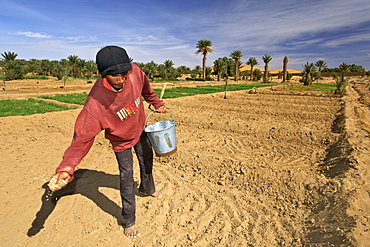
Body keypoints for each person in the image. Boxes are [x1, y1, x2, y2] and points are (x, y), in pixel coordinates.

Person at [47, 45, 168, 238]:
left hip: (139, 127)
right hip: (121, 140)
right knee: (126, 177)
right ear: (103, 75)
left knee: (147, 159)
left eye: (124, 73)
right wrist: (66, 167)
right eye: (114, 76)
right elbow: (81, 139)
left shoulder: (135, 72)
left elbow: (147, 90)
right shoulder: (96, 103)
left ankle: (147, 189)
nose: (121, 80)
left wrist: (157, 103)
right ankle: (129, 220)